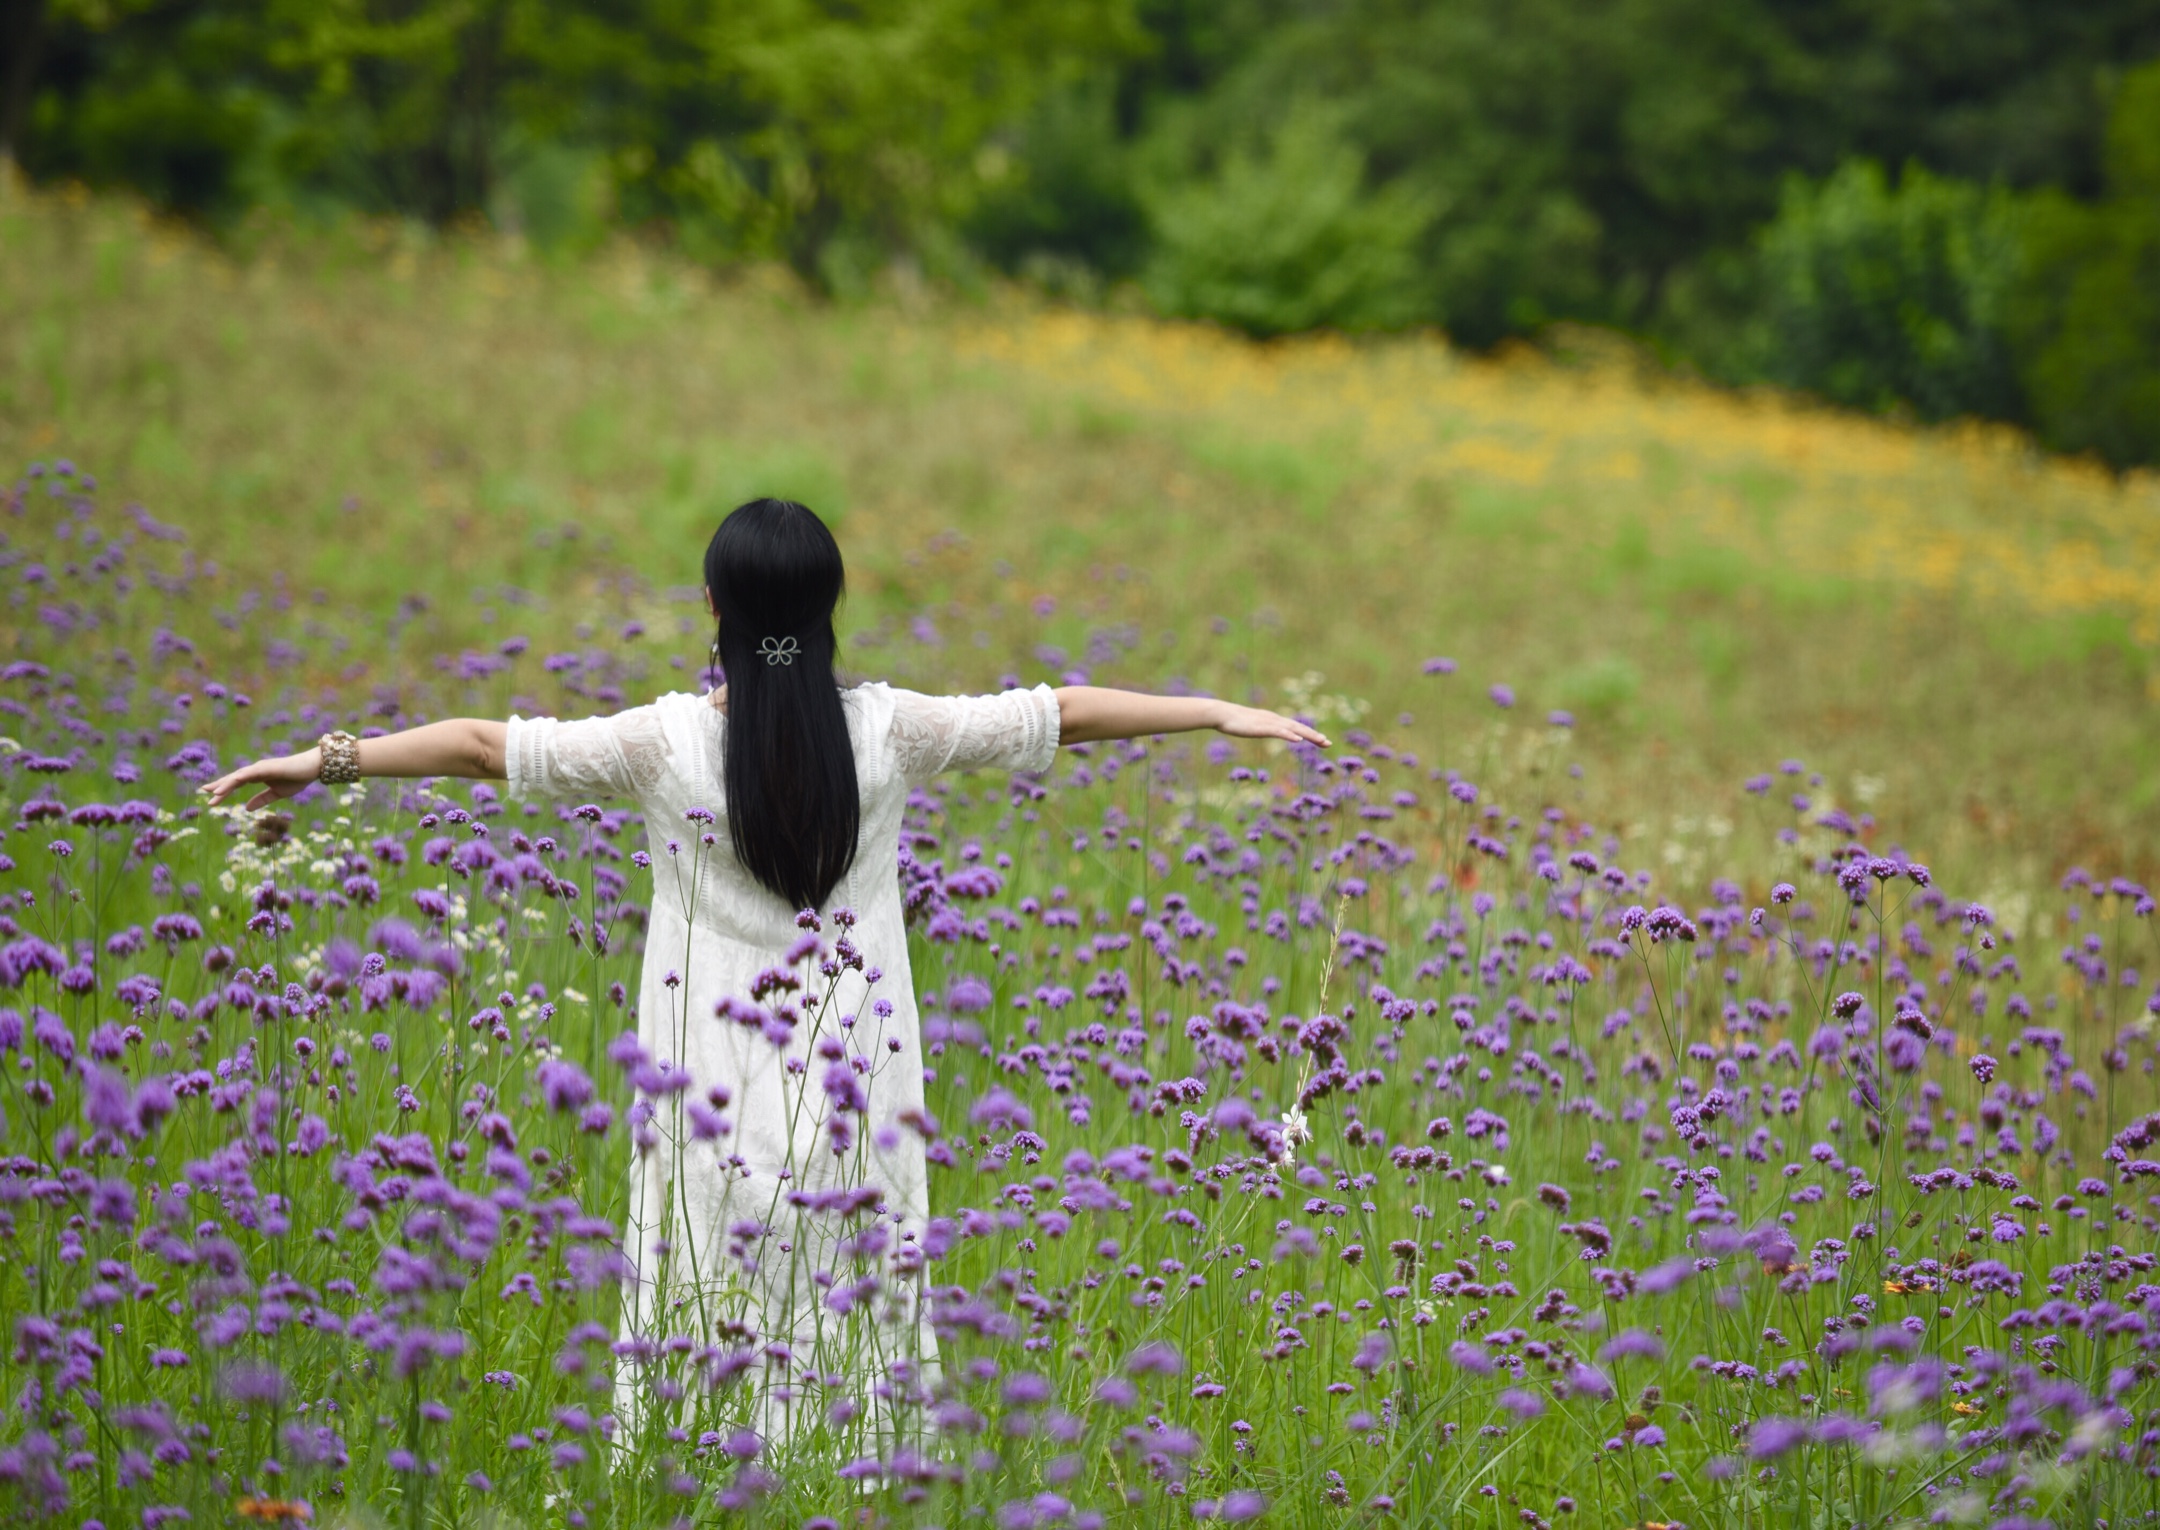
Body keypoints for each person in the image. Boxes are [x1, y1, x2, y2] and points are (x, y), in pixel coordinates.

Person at [202, 497, 1329, 1453]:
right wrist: (1219, 714)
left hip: (705, 1090)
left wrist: (321, 763)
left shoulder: (658, 745)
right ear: (829, 610)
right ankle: (864, 1481)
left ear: (716, 613)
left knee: (697, 1298)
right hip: (858, 1083)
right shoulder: (892, 733)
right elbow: (1065, 713)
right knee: (862, 1306)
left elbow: (483, 747)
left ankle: (698, 1478)